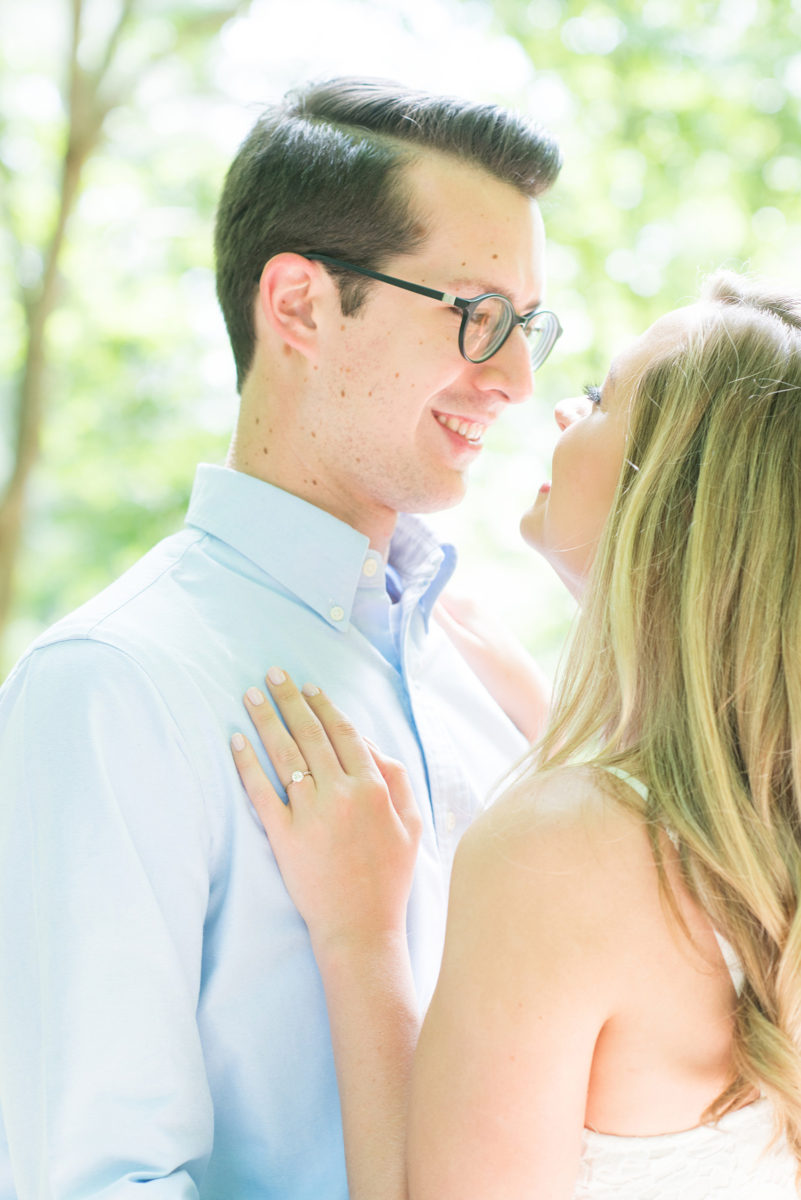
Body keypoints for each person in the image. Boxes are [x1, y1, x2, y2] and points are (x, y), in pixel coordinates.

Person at [0, 79, 562, 1198]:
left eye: (529, 326)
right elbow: (94, 1181)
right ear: (301, 304)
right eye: (476, 315)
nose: (514, 380)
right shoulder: (113, 688)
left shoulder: (490, 685)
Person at [232, 270, 801, 1198]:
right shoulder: (744, 832)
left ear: (671, 498)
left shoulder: (563, 852)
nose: (557, 411)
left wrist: (358, 934)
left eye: (601, 398)